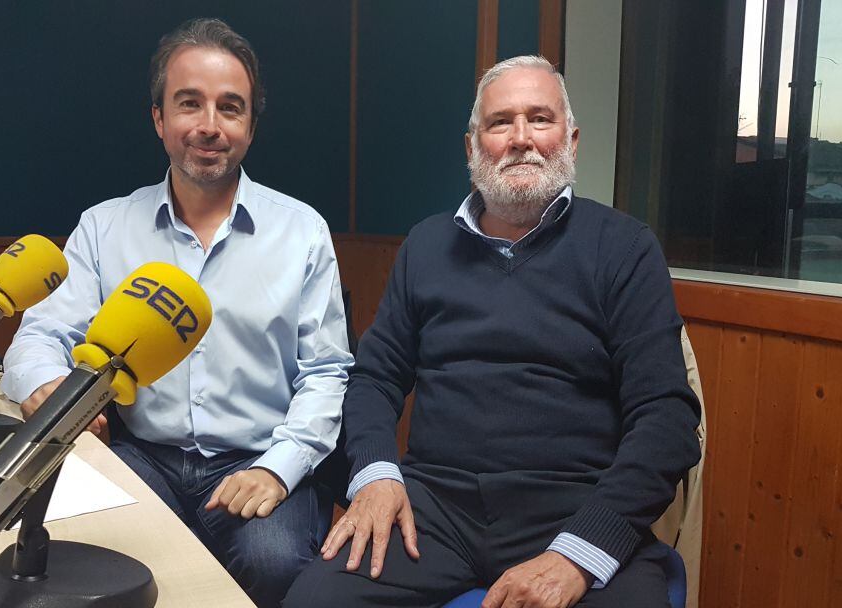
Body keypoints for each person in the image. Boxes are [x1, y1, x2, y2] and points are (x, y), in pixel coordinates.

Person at [284, 55, 701, 608]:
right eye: (501, 122)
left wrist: (579, 553)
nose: (522, 138)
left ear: (571, 140)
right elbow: (374, 379)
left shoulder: (624, 248)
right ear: (472, 147)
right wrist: (377, 475)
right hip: (434, 513)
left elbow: (667, 419)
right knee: (313, 600)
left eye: (541, 119)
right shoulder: (427, 246)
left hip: (574, 510)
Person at [0, 18, 352, 608]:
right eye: (189, 104)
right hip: (141, 455)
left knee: (279, 568)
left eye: (230, 108)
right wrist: (48, 386)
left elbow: (327, 373)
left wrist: (279, 468)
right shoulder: (103, 226)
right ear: (160, 120)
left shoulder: (302, 231)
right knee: (92, 563)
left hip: (257, 457)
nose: (209, 126)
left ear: (250, 126)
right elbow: (38, 336)